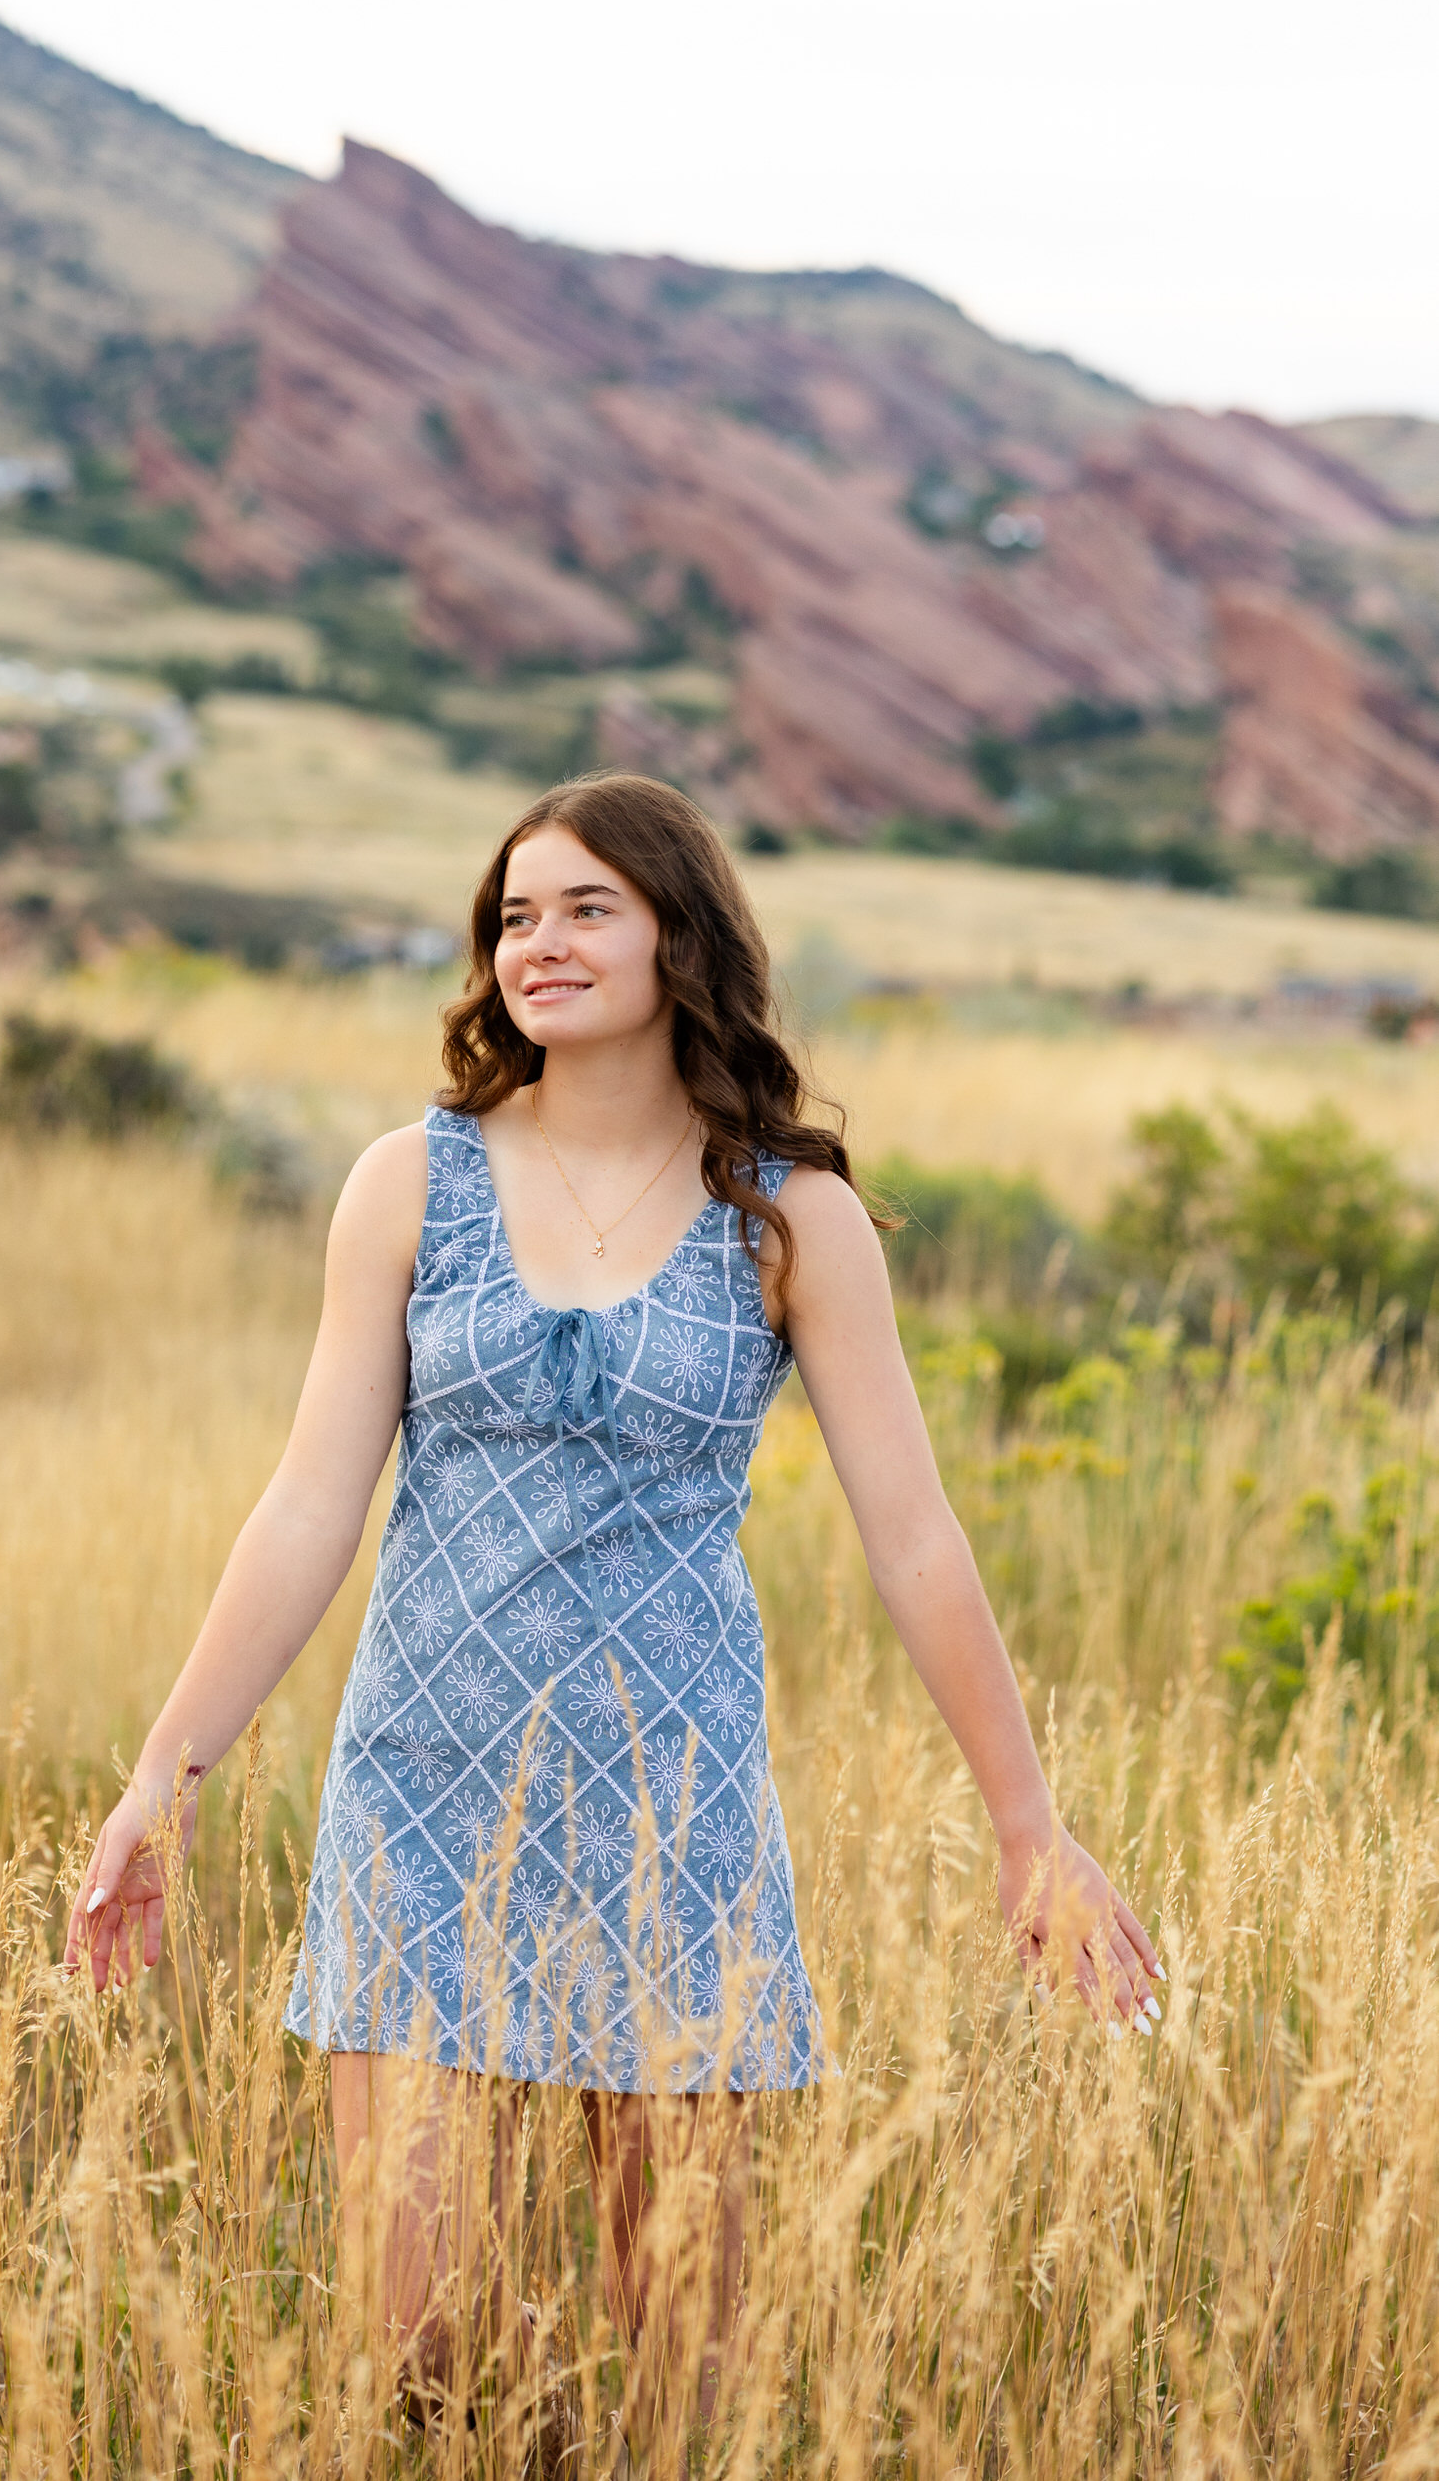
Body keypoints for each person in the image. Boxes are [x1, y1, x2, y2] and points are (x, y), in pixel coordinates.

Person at [64, 772, 1161, 2458]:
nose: (542, 943)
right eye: (516, 914)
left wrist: (1032, 1830)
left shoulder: (792, 1214)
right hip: (424, 1803)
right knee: (423, 2339)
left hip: (677, 1815)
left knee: (678, 2366)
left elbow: (917, 1538)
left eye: (587, 907)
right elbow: (307, 1505)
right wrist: (165, 1778)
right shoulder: (407, 1184)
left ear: (678, 935)